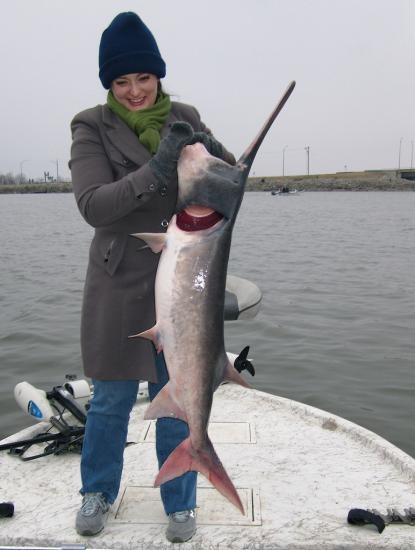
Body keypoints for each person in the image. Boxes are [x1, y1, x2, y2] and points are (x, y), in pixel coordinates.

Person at [69, 11, 235, 544]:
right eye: (122, 81)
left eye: (143, 77)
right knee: (111, 400)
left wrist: (213, 154)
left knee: (178, 397)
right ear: (108, 85)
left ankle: (180, 501)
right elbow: (95, 206)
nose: (135, 90)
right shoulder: (90, 126)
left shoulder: (183, 114)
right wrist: (158, 167)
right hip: (119, 286)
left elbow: (228, 184)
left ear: (158, 75)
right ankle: (96, 490)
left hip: (185, 284)